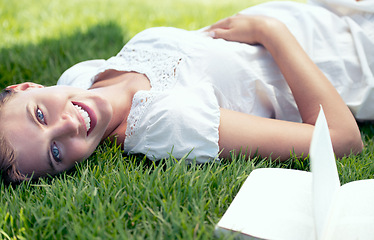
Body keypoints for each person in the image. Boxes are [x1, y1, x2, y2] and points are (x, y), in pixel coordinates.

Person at [1, 0, 372, 183]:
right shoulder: (168, 122)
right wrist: (270, 33)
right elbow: (340, 139)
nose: (67, 125)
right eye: (55, 152)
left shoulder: (78, 77)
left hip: (326, 11)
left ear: (26, 87)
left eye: (39, 115)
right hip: (353, 56)